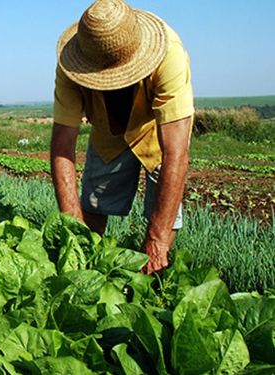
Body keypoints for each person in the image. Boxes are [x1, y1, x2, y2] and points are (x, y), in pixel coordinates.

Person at [51, 0, 194, 274]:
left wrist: (157, 239)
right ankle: (89, 268)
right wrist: (72, 230)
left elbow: (177, 152)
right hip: (107, 128)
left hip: (155, 128)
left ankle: (153, 280)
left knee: (162, 226)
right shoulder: (71, 66)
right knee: (93, 205)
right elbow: (62, 143)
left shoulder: (168, 54)